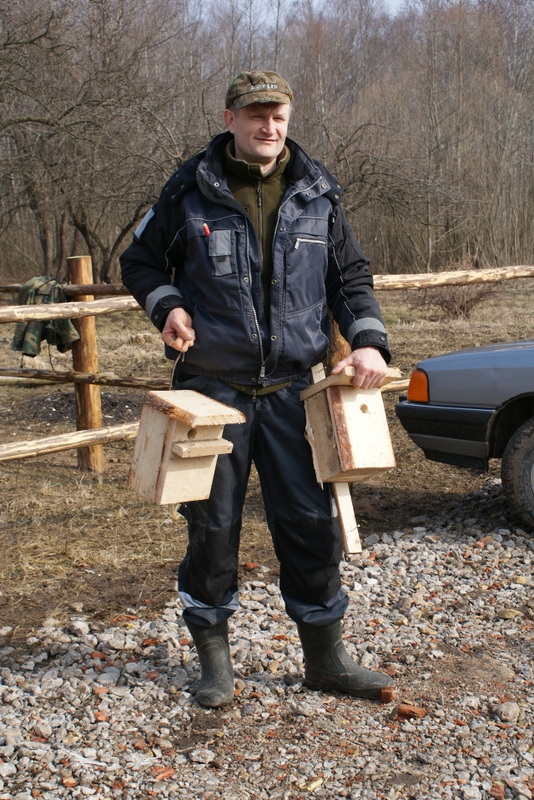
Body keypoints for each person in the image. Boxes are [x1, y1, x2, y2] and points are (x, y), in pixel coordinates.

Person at [120, 70, 393, 708]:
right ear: (230, 118)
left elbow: (350, 276)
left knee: (309, 523)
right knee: (212, 526)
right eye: (256, 116)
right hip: (213, 392)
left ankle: (326, 659)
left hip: (295, 393)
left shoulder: (317, 193)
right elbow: (139, 261)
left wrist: (369, 341)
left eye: (278, 116)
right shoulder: (189, 190)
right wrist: (168, 307)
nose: (269, 127)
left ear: (288, 120)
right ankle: (214, 661)